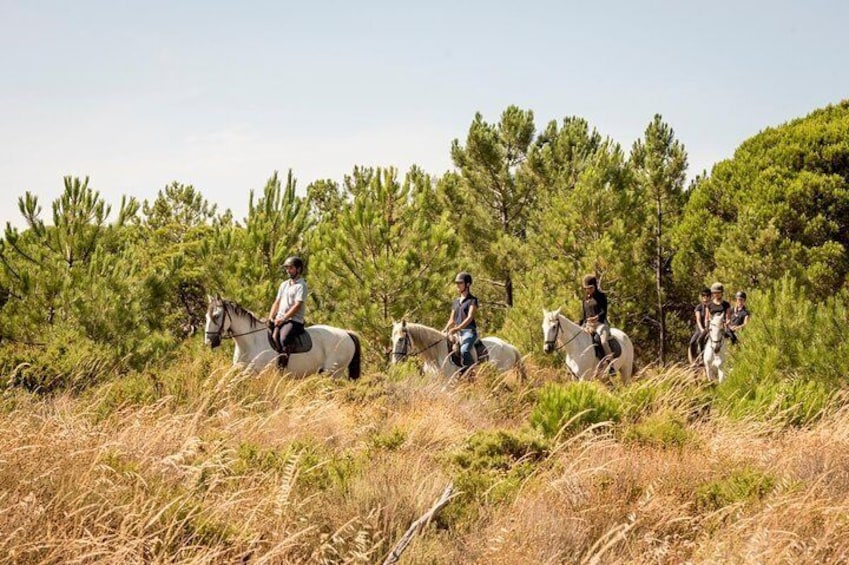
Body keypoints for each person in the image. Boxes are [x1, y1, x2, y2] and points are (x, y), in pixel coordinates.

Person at [268, 256, 307, 369]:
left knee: (283, 338)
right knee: (270, 337)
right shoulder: (284, 284)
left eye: (291, 268)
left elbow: (297, 305)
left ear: (298, 269)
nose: (288, 271)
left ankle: (283, 367)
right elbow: (277, 302)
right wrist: (271, 316)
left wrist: (284, 318)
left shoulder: (301, 286)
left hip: (294, 321)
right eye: (287, 268)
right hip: (280, 319)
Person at [443, 271, 478, 374]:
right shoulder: (456, 301)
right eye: (456, 283)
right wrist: (445, 329)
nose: (457, 285)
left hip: (469, 332)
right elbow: (452, 320)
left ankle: (471, 373)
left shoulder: (472, 300)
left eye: (460, 283)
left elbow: (470, 317)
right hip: (457, 332)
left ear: (467, 284)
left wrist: (457, 328)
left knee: (464, 351)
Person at [579, 274, 612, 369]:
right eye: (586, 288)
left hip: (600, 324)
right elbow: (584, 316)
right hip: (589, 326)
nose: (588, 290)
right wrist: (579, 323)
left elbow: (604, 312)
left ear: (595, 286)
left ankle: (610, 364)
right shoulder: (585, 299)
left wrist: (596, 317)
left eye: (590, 288)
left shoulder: (601, 296)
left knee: (603, 342)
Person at [688, 287, 711, 364]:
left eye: (707, 296)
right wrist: (701, 329)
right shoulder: (699, 307)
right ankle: (694, 359)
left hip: (710, 328)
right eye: (704, 296)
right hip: (700, 328)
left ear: (710, 297)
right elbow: (698, 319)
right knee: (692, 342)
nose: (705, 298)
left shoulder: (712, 306)